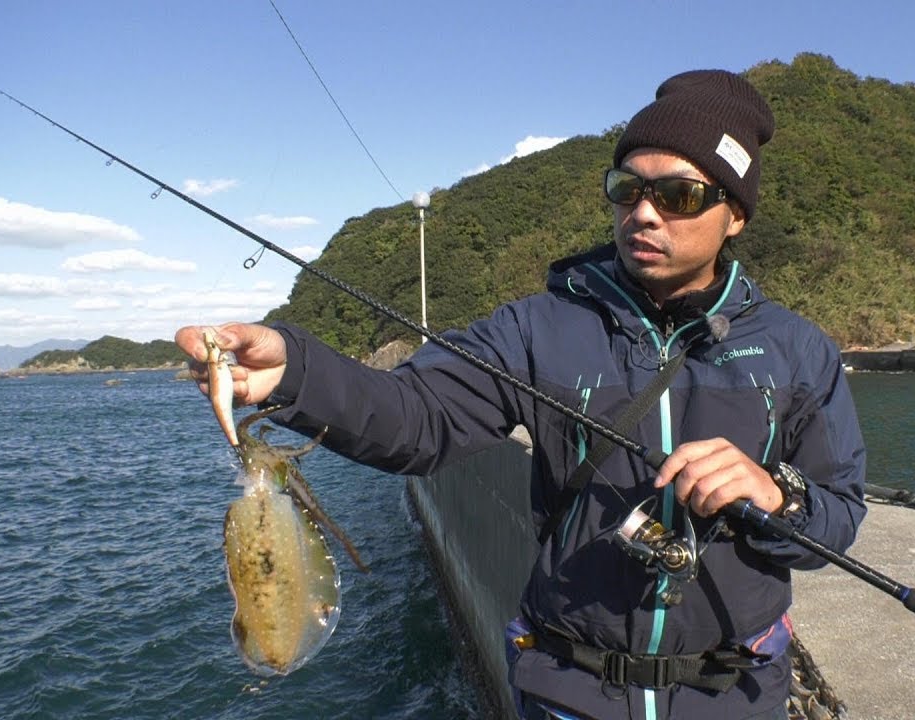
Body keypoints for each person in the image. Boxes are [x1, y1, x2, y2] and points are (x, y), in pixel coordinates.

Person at [178, 69, 866, 720]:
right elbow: (416, 417)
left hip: (736, 696)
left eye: (678, 196)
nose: (644, 214)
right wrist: (293, 371)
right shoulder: (536, 328)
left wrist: (778, 497)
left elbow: (837, 514)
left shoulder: (797, 350)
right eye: (627, 190)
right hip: (568, 692)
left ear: (735, 214)